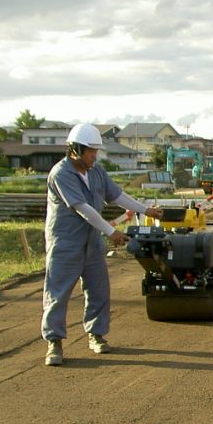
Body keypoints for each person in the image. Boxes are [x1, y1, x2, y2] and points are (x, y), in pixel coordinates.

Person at [42, 123, 163, 366]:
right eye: (90, 151)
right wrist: (111, 231)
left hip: (91, 241)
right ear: (75, 149)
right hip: (66, 242)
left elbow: (116, 195)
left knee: (98, 290)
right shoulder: (61, 173)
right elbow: (82, 208)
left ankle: (96, 335)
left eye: (96, 151)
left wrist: (145, 208)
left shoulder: (96, 171)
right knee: (58, 292)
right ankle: (54, 342)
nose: (94, 156)